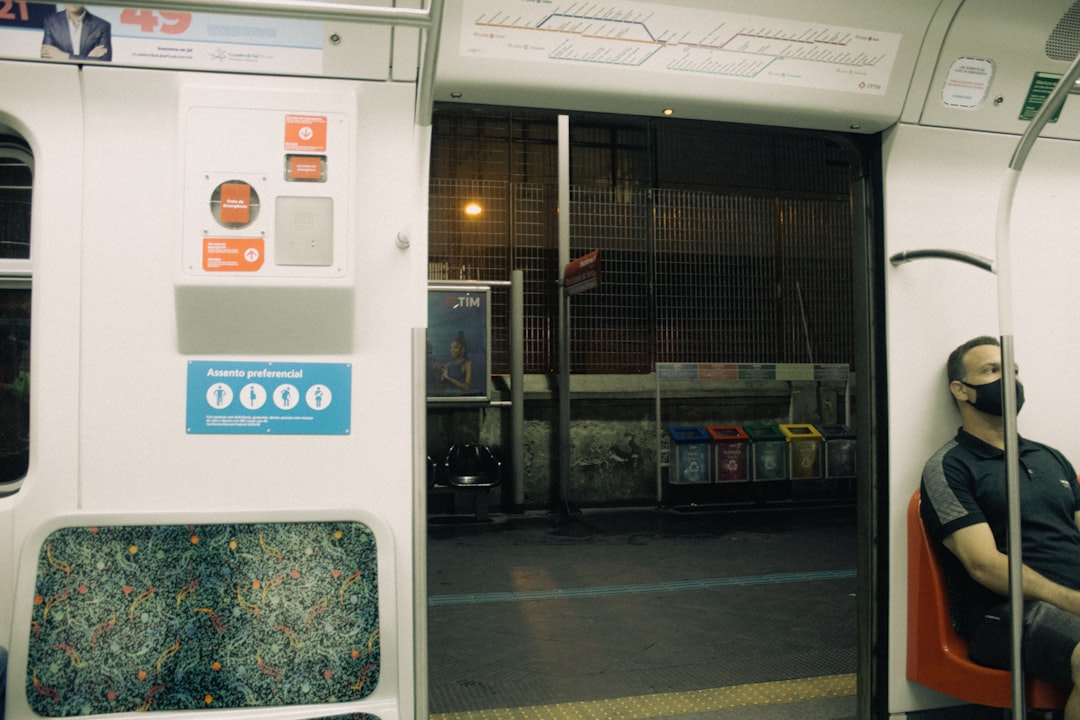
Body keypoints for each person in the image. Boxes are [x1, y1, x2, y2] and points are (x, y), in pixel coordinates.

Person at [920, 335, 1080, 718]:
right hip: (1004, 615)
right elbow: (984, 565)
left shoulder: (1049, 457)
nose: (1009, 381)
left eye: (1013, 371)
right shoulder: (951, 467)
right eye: (992, 371)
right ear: (962, 390)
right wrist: (1074, 601)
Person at [40, 5, 112, 62]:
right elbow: (46, 57)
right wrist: (87, 59)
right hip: (60, 76)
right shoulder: (51, 21)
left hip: (89, 77)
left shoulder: (101, 26)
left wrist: (65, 57)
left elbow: (104, 60)